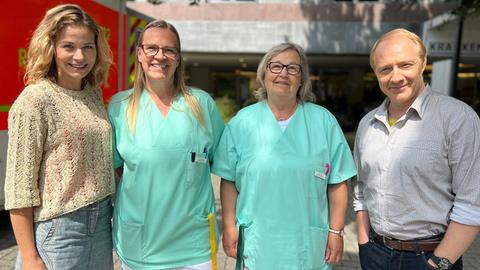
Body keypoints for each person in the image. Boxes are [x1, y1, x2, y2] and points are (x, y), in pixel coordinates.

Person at [212, 42, 357, 270]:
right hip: (258, 246)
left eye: (292, 68)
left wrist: (336, 232)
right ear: (264, 74)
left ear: (302, 79)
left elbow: (338, 181)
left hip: (306, 247)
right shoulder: (242, 122)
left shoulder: (323, 121)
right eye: (276, 66)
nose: (283, 73)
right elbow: (229, 179)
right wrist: (229, 226)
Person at [352, 28, 480, 270]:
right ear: (376, 73)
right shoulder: (367, 123)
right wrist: (363, 241)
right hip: (375, 253)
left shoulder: (458, 118)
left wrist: (438, 264)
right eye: (385, 69)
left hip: (432, 257)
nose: (396, 77)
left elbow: (473, 203)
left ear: (423, 62)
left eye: (405, 65)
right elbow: (360, 187)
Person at [4, 4, 114, 270]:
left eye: (88, 46)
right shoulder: (34, 100)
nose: (80, 56)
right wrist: (30, 258)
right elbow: (19, 191)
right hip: (60, 231)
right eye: (68, 46)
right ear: (50, 47)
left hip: (101, 226)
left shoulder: (93, 94)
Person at [108, 20, 224, 270]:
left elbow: (223, 165)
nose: (160, 56)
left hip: (195, 246)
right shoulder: (119, 107)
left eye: (169, 50)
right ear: (139, 54)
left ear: (178, 58)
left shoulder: (202, 105)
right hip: (141, 244)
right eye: (151, 48)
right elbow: (118, 170)